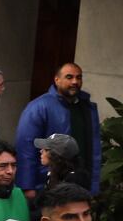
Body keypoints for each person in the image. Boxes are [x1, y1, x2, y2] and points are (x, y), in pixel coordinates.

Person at [14, 61, 101, 194]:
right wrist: (27, 186)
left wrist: (94, 186)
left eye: (79, 77)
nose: (75, 82)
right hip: (48, 184)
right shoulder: (38, 107)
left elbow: (94, 149)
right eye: (69, 77)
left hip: (80, 183)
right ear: (57, 80)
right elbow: (26, 148)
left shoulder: (87, 107)